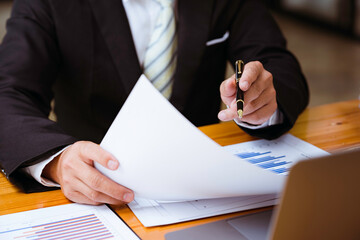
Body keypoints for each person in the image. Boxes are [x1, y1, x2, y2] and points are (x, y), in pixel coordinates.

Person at [0, 0, 309, 205]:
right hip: (96, 188)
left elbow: (276, 62)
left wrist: (263, 100)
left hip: (203, 184)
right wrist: (57, 160)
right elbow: (8, 93)